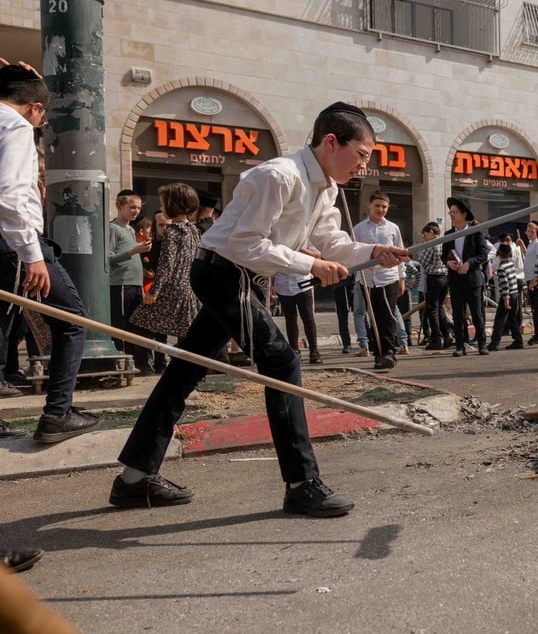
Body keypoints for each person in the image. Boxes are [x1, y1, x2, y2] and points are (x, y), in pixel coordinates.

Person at [108, 102, 408, 517]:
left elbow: (331, 242)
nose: (363, 167)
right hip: (223, 273)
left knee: (185, 369)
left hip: (241, 276)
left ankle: (134, 479)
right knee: (282, 364)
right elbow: (245, 244)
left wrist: (373, 250)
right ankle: (302, 484)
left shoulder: (328, 188)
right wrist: (311, 264)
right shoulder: (277, 176)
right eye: (361, 155)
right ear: (331, 142)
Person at [0, 59, 99, 444]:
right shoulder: (16, 125)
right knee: (71, 319)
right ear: (36, 108)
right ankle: (57, 414)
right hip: (13, 241)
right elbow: (9, 194)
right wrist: (32, 254)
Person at [129, 183, 202, 343]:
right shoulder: (193, 230)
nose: (161, 208)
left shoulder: (172, 232)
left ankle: (148, 361)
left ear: (173, 205)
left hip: (171, 290)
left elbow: (166, 265)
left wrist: (154, 291)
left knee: (140, 324)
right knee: (186, 333)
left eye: (163, 204)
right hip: (189, 290)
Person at [354, 191, 407, 368]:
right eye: (377, 205)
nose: (380, 209)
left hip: (388, 278)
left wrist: (401, 278)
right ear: (370, 205)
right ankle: (378, 354)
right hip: (367, 279)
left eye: (384, 206)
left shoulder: (393, 228)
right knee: (373, 317)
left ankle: (389, 352)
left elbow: (401, 253)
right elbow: (354, 253)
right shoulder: (359, 229)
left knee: (388, 315)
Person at [107, 189, 154, 374]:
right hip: (120, 285)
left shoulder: (131, 229)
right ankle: (121, 363)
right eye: (131, 207)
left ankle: (140, 362)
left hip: (134, 285)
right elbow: (109, 258)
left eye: (138, 208)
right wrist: (134, 251)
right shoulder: (113, 228)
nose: (135, 211)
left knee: (137, 325)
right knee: (121, 326)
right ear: (119, 206)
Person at [442, 197, 488, 357]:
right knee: (457, 314)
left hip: (472, 278)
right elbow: (443, 256)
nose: (452, 215)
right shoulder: (448, 234)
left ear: (464, 214)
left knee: (476, 313)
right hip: (455, 279)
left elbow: (483, 253)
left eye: (455, 212)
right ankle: (460, 345)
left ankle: (482, 343)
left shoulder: (475, 232)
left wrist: (469, 263)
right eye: (450, 212)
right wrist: (449, 264)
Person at [274, 266, 323, 364]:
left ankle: (314, 351)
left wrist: (302, 250)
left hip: (302, 283)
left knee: (308, 318)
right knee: (290, 319)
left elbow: (316, 255)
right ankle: (294, 350)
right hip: (283, 284)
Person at [417, 221, 450, 350]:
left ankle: (436, 338)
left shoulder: (432, 244)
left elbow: (422, 261)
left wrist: (423, 248)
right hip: (445, 277)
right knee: (440, 307)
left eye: (425, 234)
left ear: (431, 232)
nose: (424, 237)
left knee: (432, 308)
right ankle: (447, 335)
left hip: (434, 277)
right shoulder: (445, 242)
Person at [488, 242, 523, 351]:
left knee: (499, 320)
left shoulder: (501, 268)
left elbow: (505, 285)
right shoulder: (511, 265)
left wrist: (506, 299)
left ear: (498, 254)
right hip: (515, 294)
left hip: (506, 296)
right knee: (512, 319)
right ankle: (518, 340)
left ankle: (495, 342)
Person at [523, 221, 538, 344]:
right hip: (529, 278)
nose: (530, 233)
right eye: (528, 231)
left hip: (534, 279)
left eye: (532, 231)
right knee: (535, 308)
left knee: (537, 309)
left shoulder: (537, 244)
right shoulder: (531, 244)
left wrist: (536, 278)